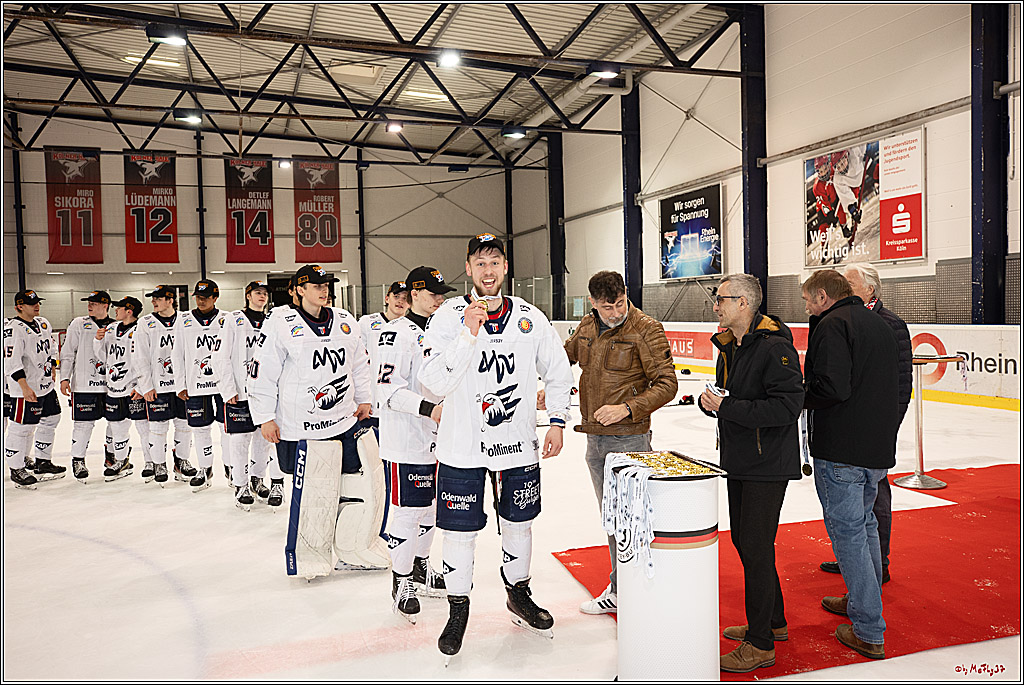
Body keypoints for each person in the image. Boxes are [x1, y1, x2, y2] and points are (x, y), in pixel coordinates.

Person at [420, 233, 573, 663]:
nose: (488, 271)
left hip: (517, 447)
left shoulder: (530, 316)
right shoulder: (449, 316)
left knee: (519, 526)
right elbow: (432, 380)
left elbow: (559, 372)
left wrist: (557, 420)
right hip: (462, 448)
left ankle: (518, 595)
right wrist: (468, 334)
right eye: (479, 263)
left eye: (495, 262)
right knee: (459, 533)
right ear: (467, 268)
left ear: (506, 267)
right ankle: (458, 610)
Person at [697, 274, 804, 673]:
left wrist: (728, 409)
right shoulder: (734, 344)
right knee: (747, 542)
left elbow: (786, 408)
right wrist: (712, 403)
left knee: (756, 548)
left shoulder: (774, 347)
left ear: (744, 303)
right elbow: (735, 397)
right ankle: (772, 622)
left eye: (721, 299)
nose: (715, 306)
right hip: (741, 459)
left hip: (766, 463)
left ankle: (760, 644)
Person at [249, 264, 383, 577]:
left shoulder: (346, 321)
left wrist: (365, 399)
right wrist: (265, 417)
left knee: (355, 487)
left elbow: (360, 365)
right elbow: (262, 372)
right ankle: (311, 555)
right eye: (315, 285)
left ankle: (352, 549)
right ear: (298, 290)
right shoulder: (281, 322)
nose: (323, 290)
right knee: (315, 493)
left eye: (326, 284)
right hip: (300, 426)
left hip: (343, 420)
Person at [562, 270, 677, 616]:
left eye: (620, 303)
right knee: (612, 519)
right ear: (593, 303)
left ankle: (634, 588)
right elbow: (559, 359)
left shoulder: (646, 330)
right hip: (594, 441)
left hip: (629, 440)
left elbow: (668, 384)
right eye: (607, 306)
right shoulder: (586, 328)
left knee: (632, 519)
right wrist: (548, 389)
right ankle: (622, 587)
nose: (615, 312)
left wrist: (627, 408)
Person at [801, 269, 899, 660]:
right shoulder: (879, 324)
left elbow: (832, 387)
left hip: (842, 449)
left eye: (808, 300)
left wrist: (798, 394)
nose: (806, 307)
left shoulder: (832, 325)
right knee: (867, 526)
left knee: (849, 533)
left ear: (824, 296)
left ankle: (868, 628)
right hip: (875, 448)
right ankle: (863, 599)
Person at [817, 265, 912, 584]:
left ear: (871, 289)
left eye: (850, 282)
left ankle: (878, 564)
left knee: (874, 503)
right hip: (854, 429)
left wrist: (887, 426)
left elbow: (899, 383)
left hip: (872, 431)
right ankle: (857, 562)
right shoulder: (840, 319)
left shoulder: (889, 324)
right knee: (857, 513)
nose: (843, 286)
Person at [376, 266, 454, 622]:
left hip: (443, 440)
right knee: (407, 512)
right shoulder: (396, 334)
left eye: (443, 294)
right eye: (434, 293)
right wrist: (430, 409)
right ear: (414, 294)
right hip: (406, 441)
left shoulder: (445, 332)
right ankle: (401, 580)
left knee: (433, 510)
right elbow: (387, 391)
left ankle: (421, 567)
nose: (440, 299)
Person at [219, 280, 284, 509]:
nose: (262, 296)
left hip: (265, 393)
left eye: (265, 293)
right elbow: (221, 355)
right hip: (239, 392)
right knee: (239, 440)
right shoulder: (233, 319)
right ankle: (240, 484)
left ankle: (258, 479)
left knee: (263, 439)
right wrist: (228, 389)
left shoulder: (273, 321)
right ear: (247, 295)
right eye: (257, 292)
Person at [133, 285, 197, 486]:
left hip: (182, 386)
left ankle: (182, 461)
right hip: (158, 387)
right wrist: (146, 386)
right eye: (153, 298)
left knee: (184, 425)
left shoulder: (186, 319)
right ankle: (159, 463)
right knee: (158, 427)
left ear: (171, 300)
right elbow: (140, 356)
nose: (154, 301)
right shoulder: (145, 323)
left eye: (158, 298)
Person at [172, 279, 231, 492]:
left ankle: (231, 467)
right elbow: (176, 354)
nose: (201, 300)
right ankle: (205, 469)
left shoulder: (227, 319)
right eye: (198, 296)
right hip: (195, 385)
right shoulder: (184, 319)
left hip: (223, 384)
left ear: (215, 298)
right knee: (199, 429)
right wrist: (180, 384)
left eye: (205, 297)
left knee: (228, 428)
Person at [4, 290, 63, 488]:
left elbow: (52, 347)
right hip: (26, 389)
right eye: (31, 303)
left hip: (45, 385)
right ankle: (16, 468)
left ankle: (43, 461)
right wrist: (23, 386)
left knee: (52, 418)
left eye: (37, 302)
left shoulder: (43, 323)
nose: (36, 306)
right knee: (22, 427)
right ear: (19, 306)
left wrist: (53, 366)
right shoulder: (14, 329)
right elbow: (11, 362)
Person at [59, 290, 116, 482]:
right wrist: (64, 378)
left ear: (106, 305)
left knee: (115, 424)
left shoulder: (116, 326)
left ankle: (112, 457)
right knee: (82, 425)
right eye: (88, 302)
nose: (89, 305)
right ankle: (78, 460)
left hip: (112, 386)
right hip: (84, 386)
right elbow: (68, 352)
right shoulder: (78, 323)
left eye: (94, 302)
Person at [93, 297, 148, 481]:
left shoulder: (142, 329)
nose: (115, 310)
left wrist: (142, 386)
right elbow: (101, 356)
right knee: (117, 427)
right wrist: (97, 340)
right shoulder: (110, 329)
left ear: (129, 311)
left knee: (144, 428)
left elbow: (147, 360)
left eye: (119, 307)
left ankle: (151, 462)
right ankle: (121, 460)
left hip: (134, 388)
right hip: (114, 388)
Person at [358, 280, 411, 423]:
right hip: (371, 403)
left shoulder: (411, 329)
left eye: (405, 298)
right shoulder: (367, 322)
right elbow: (357, 362)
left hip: (399, 404)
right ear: (387, 298)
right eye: (396, 296)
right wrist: (361, 398)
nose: (400, 301)